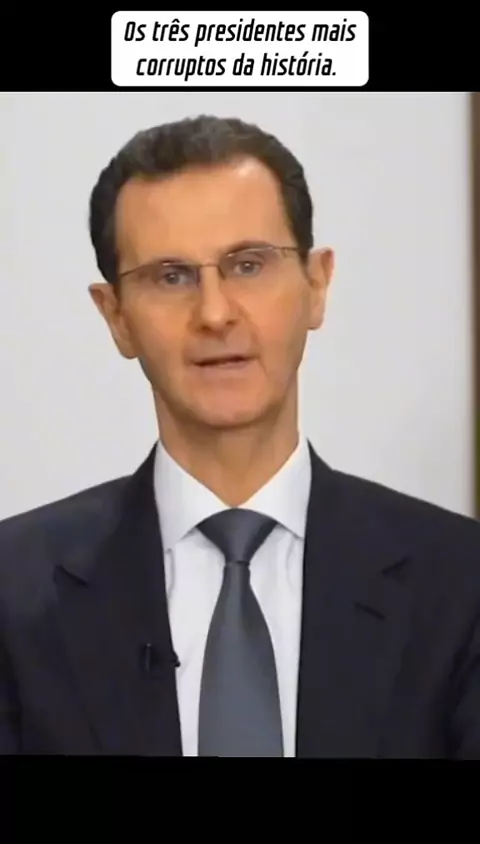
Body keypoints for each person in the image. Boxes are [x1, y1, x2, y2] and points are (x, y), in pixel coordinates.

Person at [0, 115, 479, 758]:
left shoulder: (461, 583)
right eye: (171, 276)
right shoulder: (14, 592)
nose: (215, 313)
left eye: (248, 265)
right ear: (115, 317)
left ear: (317, 284)